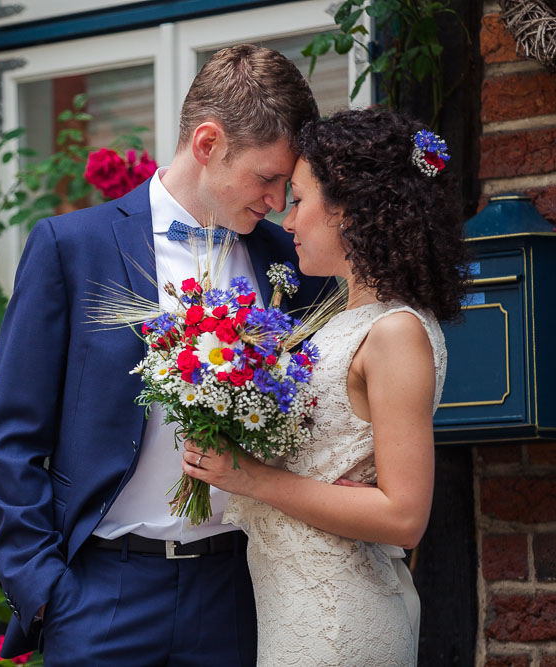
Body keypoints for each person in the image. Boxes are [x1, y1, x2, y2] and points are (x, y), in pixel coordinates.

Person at [0, 45, 332, 665]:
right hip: (101, 596)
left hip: (241, 591)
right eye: (267, 177)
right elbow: (11, 438)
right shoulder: (71, 248)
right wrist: (44, 593)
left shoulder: (291, 260)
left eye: (288, 184)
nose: (278, 201)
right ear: (206, 143)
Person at [181, 108, 469, 666]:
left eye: (300, 199)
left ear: (352, 213)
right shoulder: (343, 318)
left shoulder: (396, 332)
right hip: (295, 606)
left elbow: (404, 517)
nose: (285, 221)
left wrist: (251, 477)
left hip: (337, 619)